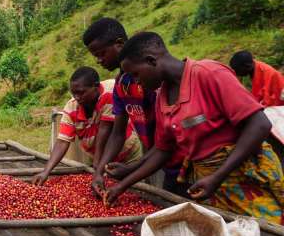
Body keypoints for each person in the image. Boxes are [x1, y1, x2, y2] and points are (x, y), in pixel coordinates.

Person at [104, 32, 284, 225]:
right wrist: (122, 185)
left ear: (151, 60)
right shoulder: (162, 98)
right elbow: (163, 150)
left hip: (247, 179)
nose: (136, 82)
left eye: (136, 75)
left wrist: (217, 176)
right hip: (211, 185)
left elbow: (259, 124)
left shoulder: (208, 74)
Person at [82, 18, 156, 196]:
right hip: (152, 155)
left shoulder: (152, 77)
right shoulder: (121, 84)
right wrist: (99, 170)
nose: (99, 60)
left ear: (119, 44)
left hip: (171, 156)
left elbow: (168, 140)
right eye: (95, 56)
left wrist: (130, 170)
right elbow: (118, 132)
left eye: (101, 53)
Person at [32, 67, 142, 186]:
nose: (77, 97)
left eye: (81, 92)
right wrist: (46, 171)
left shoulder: (110, 92)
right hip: (97, 158)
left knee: (137, 192)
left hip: (126, 155)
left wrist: (98, 165)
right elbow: (62, 141)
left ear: (96, 87)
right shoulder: (71, 107)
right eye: (73, 93)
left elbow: (105, 130)